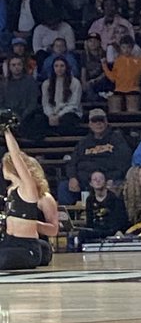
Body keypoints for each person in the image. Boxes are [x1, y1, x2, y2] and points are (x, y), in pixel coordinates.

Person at [0, 121, 49, 270]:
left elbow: (16, 156)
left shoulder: (27, 188)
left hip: (25, 247)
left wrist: (6, 132)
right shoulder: (10, 191)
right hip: (9, 242)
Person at [59, 108, 133, 204]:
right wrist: (73, 177)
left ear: (106, 122)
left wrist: (112, 178)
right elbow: (72, 163)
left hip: (109, 179)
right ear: (90, 124)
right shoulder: (83, 142)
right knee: (63, 186)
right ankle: (69, 217)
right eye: (95, 121)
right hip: (85, 180)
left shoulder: (117, 140)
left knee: (118, 186)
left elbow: (125, 162)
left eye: (101, 120)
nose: (98, 124)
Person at [79, 168, 129, 242]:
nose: (98, 181)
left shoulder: (114, 198)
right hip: (96, 229)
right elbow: (89, 221)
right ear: (90, 183)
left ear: (105, 181)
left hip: (110, 229)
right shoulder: (90, 200)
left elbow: (121, 220)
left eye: (101, 179)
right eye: (95, 179)